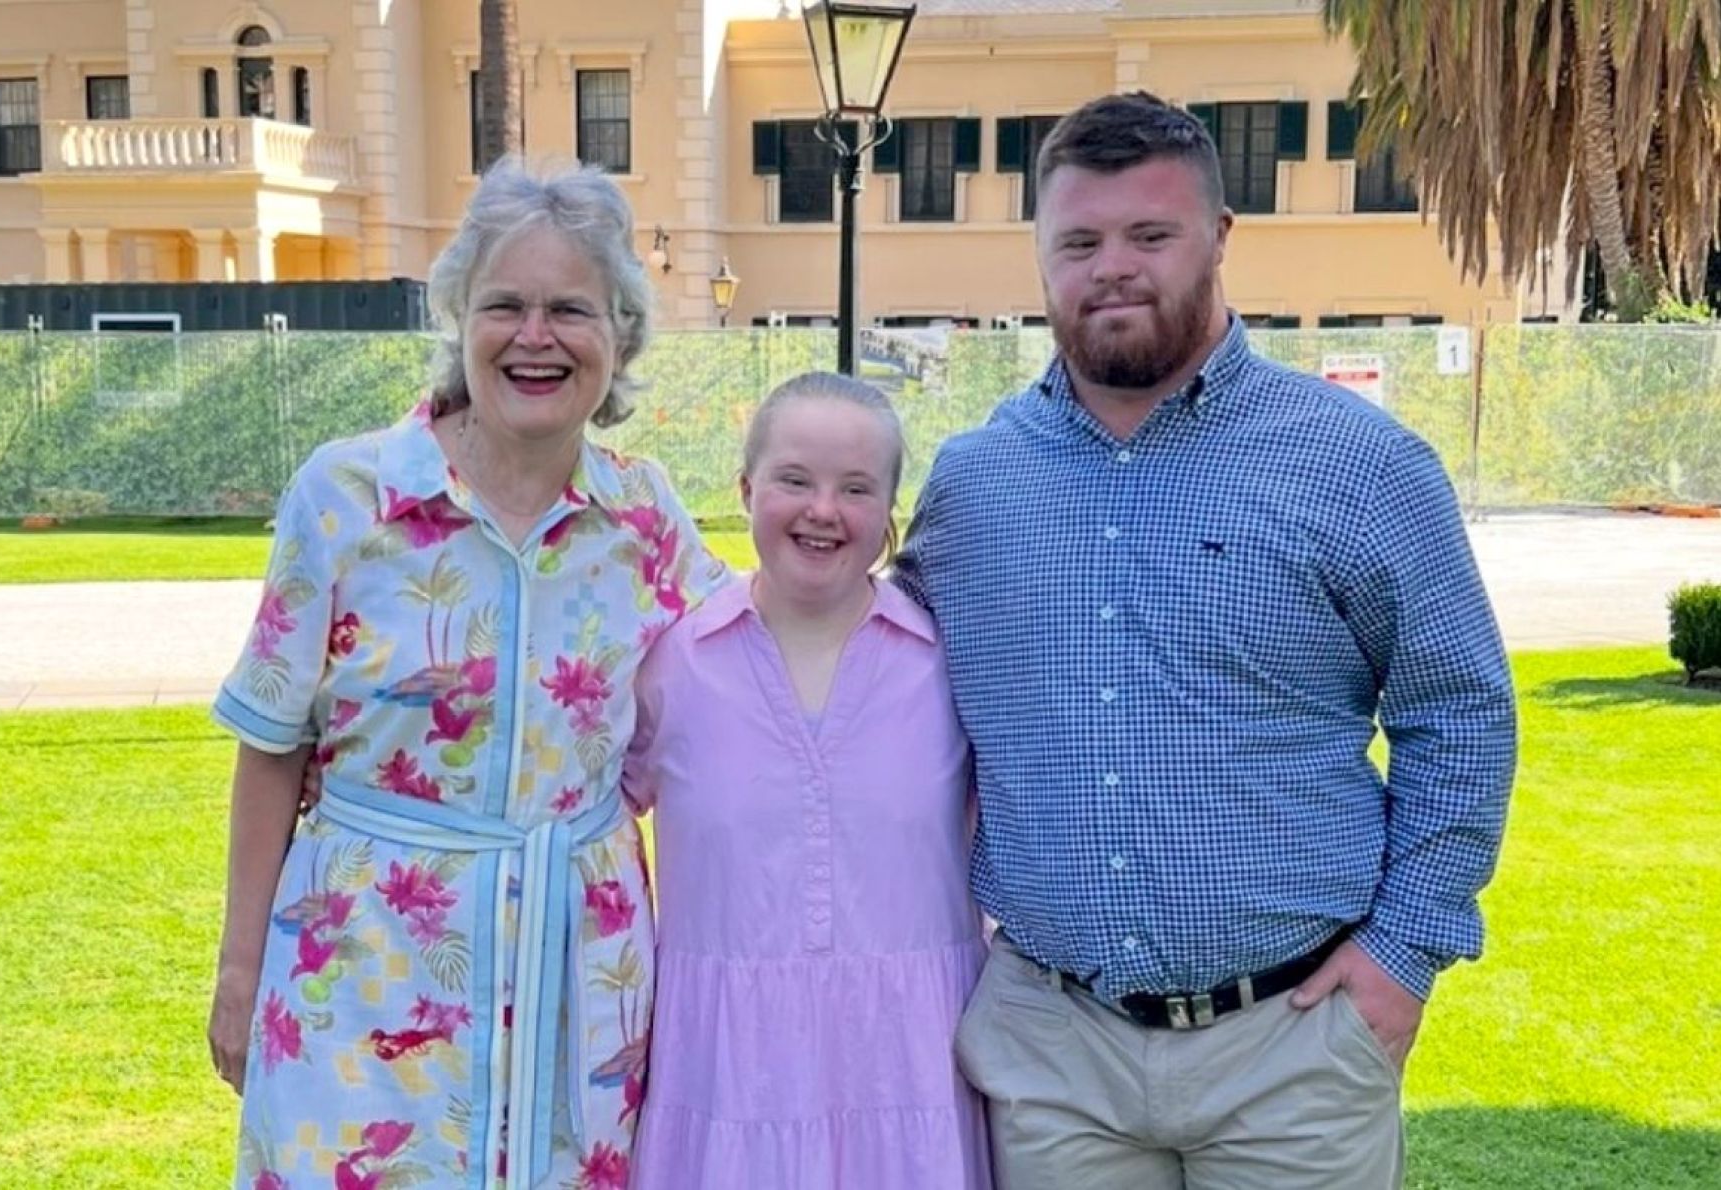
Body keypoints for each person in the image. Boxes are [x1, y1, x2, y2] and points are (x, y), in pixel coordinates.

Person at [894, 92, 1517, 1189]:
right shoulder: (972, 486)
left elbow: (1458, 711)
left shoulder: (1360, 467)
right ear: (1039, 255)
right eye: (1079, 241)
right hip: (1053, 1052)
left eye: (1151, 234)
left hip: (1294, 1046)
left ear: (1220, 238)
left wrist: (1403, 954)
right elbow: (875, 687)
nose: (1113, 268)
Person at [205, 158, 726, 1189]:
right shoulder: (346, 494)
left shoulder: (645, 517)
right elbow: (272, 744)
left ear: (619, 333)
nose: (536, 335)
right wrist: (238, 965)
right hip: (361, 973)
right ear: (460, 320)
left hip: (586, 981)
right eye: (506, 305)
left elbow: (735, 699)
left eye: (571, 308)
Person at [623, 372, 993, 1189]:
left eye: (855, 488)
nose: (822, 510)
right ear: (746, 489)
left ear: (891, 511)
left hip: (910, 1057)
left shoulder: (946, 664)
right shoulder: (672, 662)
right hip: (725, 1064)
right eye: (794, 479)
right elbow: (587, 819)